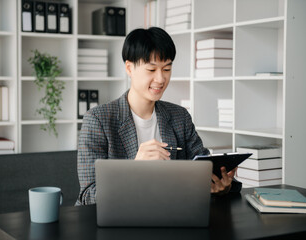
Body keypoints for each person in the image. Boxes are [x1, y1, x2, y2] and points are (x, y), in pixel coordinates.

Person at [76, 27, 241, 205]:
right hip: (122, 218)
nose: (161, 79)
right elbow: (88, 196)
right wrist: (134, 169)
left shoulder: (180, 116)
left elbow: (204, 168)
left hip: (173, 212)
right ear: (129, 68)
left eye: (167, 69)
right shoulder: (98, 120)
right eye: (151, 70)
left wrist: (221, 186)